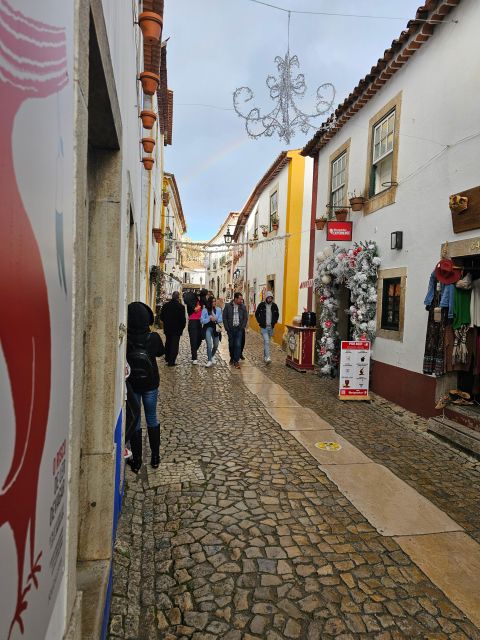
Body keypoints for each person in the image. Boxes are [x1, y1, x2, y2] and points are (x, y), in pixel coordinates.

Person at [126, 302, 165, 472]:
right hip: (150, 383)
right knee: (152, 417)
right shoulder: (153, 338)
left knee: (135, 420)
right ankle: (155, 458)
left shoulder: (126, 339)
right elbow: (161, 353)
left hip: (133, 384)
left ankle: (137, 460)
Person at [160, 291, 186, 366]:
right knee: (174, 345)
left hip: (167, 328)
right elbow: (183, 320)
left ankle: (167, 357)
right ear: (178, 297)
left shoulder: (166, 306)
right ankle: (171, 362)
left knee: (168, 342)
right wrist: (182, 328)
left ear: (172, 296)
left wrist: (166, 323)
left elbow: (161, 317)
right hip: (177, 329)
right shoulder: (181, 307)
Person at [223, 292, 248, 368]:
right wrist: (227, 328)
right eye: (240, 299)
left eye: (242, 299)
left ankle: (236, 361)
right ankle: (232, 357)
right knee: (231, 345)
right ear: (235, 299)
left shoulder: (243, 307)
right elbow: (224, 317)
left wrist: (242, 327)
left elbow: (245, 318)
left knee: (238, 344)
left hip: (239, 329)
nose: (241, 301)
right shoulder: (228, 306)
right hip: (230, 329)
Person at [255, 291, 279, 364]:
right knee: (267, 341)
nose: (269, 299)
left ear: (272, 298)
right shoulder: (261, 305)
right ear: (266, 298)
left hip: (271, 327)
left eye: (271, 298)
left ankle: (265, 357)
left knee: (267, 342)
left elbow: (277, 315)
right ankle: (268, 357)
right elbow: (257, 314)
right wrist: (260, 321)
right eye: (268, 298)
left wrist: (274, 322)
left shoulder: (274, 306)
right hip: (264, 327)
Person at [200, 295, 223, 367]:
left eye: (215, 301)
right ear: (209, 302)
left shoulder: (219, 309)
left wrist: (215, 319)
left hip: (216, 329)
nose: (214, 303)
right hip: (208, 328)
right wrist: (209, 319)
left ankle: (212, 355)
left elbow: (220, 319)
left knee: (216, 345)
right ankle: (209, 360)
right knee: (209, 345)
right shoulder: (205, 310)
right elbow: (201, 321)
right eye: (213, 301)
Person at [186, 293, 202, 364]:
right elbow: (195, 310)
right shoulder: (190, 304)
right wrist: (198, 307)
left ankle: (194, 350)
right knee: (193, 340)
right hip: (192, 322)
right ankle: (194, 357)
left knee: (200, 338)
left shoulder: (200, 301)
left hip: (199, 322)